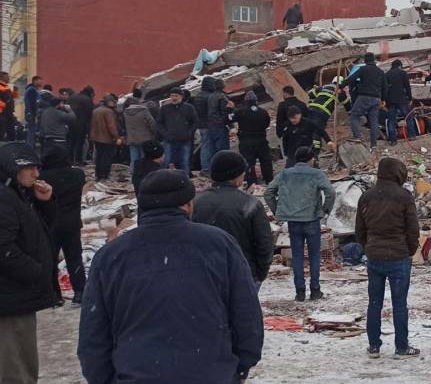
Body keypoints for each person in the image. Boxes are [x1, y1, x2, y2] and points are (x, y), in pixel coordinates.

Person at [78, 169, 263, 383]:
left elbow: (93, 334)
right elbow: (246, 313)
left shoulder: (110, 256)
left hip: (138, 375)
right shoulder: (220, 244)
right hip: (211, 374)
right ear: (187, 205)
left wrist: (104, 378)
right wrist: (240, 365)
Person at [0, 142, 58, 384]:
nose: (36, 174)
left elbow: (40, 232)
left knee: (21, 363)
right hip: (10, 297)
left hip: (16, 295)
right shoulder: (4, 197)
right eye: (29, 168)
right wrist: (35, 271)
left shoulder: (16, 194)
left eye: (37, 168)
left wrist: (44, 202)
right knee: (15, 368)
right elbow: (3, 247)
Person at [355, 157, 421, 358]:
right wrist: (410, 250)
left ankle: (374, 346)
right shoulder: (404, 196)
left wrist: (368, 248)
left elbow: (359, 230)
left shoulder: (366, 197)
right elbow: (413, 229)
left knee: (374, 302)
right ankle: (401, 347)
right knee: (399, 303)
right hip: (398, 256)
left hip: (374, 256)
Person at [192, 151, 274, 291]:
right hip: (242, 272)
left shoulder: (195, 203)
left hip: (205, 274)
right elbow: (264, 243)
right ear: (236, 176)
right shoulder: (250, 204)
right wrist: (258, 274)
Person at [265, 146, 336, 301]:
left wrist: (278, 210)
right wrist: (325, 210)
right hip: (311, 220)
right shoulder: (317, 174)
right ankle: (315, 290)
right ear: (311, 159)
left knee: (297, 256)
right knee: (314, 255)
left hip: (293, 221)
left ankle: (300, 292)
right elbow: (330, 192)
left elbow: (268, 192)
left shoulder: (284, 174)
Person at [38, 145, 86, 306]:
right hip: (72, 224)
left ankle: (54, 295)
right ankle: (80, 292)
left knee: (50, 260)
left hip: (50, 224)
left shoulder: (43, 177)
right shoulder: (77, 175)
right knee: (74, 258)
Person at [345, 54, 387, 147]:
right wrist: (383, 99)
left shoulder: (363, 69)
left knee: (354, 116)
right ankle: (374, 144)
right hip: (377, 99)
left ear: (365, 61)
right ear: (374, 61)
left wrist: (340, 86)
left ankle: (357, 137)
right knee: (374, 121)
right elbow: (385, 87)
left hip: (365, 96)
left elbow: (351, 79)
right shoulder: (380, 72)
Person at [232, 92, 273, 186]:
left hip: (246, 141)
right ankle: (269, 180)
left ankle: (252, 183)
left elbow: (230, 119)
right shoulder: (263, 111)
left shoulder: (241, 111)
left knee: (249, 162)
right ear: (256, 101)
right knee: (265, 160)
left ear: (245, 101)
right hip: (261, 139)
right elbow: (267, 123)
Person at [157, 87, 198, 174]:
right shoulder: (165, 108)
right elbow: (159, 123)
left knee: (184, 162)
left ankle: (184, 182)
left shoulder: (189, 108)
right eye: (172, 96)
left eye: (176, 96)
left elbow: (195, 122)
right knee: (167, 162)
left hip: (185, 140)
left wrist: (189, 134)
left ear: (181, 97)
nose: (174, 98)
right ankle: (164, 182)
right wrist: (165, 134)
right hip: (169, 140)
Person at [122, 95, 158, 181]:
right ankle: (145, 177)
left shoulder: (125, 112)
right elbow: (152, 124)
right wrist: (153, 134)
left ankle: (133, 177)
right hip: (145, 139)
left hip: (132, 139)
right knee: (144, 159)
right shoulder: (144, 111)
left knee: (134, 159)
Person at [89, 95, 122, 181]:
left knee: (99, 156)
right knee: (106, 157)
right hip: (107, 138)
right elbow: (111, 126)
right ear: (110, 102)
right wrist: (116, 137)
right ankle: (104, 175)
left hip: (96, 137)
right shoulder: (108, 112)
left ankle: (98, 175)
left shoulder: (96, 110)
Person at [384, 60, 416, 145]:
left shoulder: (386, 75)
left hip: (390, 101)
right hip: (401, 99)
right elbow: (407, 86)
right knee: (408, 117)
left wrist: (385, 100)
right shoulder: (402, 73)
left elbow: (384, 89)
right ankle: (412, 136)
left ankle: (393, 140)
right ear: (399, 66)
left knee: (391, 120)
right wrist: (410, 97)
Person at [205, 76, 233, 163]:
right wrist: (231, 125)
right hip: (220, 126)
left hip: (211, 126)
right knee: (224, 152)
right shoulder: (222, 97)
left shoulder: (210, 96)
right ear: (223, 86)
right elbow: (225, 112)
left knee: (213, 151)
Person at [192, 77, 216, 173]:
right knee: (208, 147)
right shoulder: (209, 96)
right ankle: (207, 168)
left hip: (201, 125)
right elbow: (212, 112)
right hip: (208, 125)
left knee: (205, 146)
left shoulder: (198, 95)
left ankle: (205, 166)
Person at [275, 85, 308, 156]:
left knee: (292, 157)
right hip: (303, 134)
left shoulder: (282, 105)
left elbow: (279, 121)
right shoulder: (302, 104)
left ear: (285, 93)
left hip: (289, 136)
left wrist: (279, 133)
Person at [67, 86, 95, 164]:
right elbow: (90, 113)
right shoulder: (87, 99)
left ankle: (70, 159)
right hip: (82, 124)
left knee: (71, 142)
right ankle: (78, 160)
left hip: (70, 122)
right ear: (90, 93)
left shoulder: (72, 97)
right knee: (80, 142)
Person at [23, 76, 42, 147]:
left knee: (31, 132)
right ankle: (30, 149)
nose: (41, 82)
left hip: (30, 114)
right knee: (32, 132)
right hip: (32, 114)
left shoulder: (31, 89)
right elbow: (33, 104)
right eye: (40, 80)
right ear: (35, 81)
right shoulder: (32, 90)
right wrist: (35, 115)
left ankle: (30, 148)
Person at [0, 71, 17, 141]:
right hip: (2, 113)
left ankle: (10, 147)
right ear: (1, 77)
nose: (8, 78)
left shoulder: (7, 87)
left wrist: (15, 90)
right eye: (7, 77)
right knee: (1, 132)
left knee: (11, 132)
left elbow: (13, 97)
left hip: (9, 113)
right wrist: (5, 105)